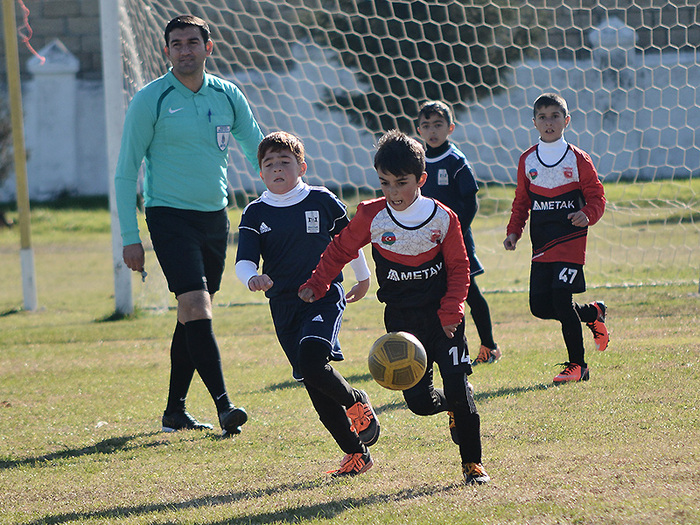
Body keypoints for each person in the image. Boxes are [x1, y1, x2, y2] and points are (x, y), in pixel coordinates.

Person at [299, 129, 490, 485]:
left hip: (443, 319)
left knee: (460, 387)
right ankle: (447, 404)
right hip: (402, 323)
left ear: (421, 179)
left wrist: (452, 311)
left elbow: (460, 268)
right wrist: (317, 282)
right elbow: (340, 249)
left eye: (401, 183)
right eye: (385, 183)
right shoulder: (372, 215)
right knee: (418, 403)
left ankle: (473, 465)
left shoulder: (443, 217)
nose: (393, 193)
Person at [114, 15, 264, 435]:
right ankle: (224, 408)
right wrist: (131, 238)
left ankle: (174, 412)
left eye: (192, 42)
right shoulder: (151, 100)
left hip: (215, 217)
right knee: (197, 305)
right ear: (167, 51)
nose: (184, 50)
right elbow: (125, 173)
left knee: (190, 314)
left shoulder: (228, 95)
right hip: (168, 216)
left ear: (208, 47)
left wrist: (282, 193)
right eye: (176, 44)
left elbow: (257, 151)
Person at [235, 131, 379, 477]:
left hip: (323, 296)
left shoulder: (322, 199)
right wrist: (251, 278)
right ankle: (356, 454)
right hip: (283, 307)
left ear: (302, 166)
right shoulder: (255, 212)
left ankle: (355, 400)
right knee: (312, 383)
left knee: (313, 363)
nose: (277, 168)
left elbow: (350, 241)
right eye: (269, 163)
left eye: (285, 161)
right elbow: (243, 261)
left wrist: (362, 277)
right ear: (260, 174)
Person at [503, 93, 609, 383]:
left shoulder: (578, 159)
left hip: (571, 240)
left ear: (567, 120)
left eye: (555, 116)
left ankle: (578, 366)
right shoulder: (528, 159)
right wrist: (514, 231)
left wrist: (586, 214)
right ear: (534, 122)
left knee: (562, 301)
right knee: (539, 306)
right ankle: (592, 313)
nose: (549, 122)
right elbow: (521, 201)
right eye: (543, 117)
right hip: (542, 243)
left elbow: (597, 198)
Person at [416, 100, 501, 366]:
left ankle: (489, 346)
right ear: (419, 130)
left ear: (450, 128)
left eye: (438, 125)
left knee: (470, 293)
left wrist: (455, 232)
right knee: (431, 294)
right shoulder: (417, 160)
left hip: (457, 240)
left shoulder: (456, 160)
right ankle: (433, 350)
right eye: (427, 125)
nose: (433, 131)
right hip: (427, 241)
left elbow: (471, 201)